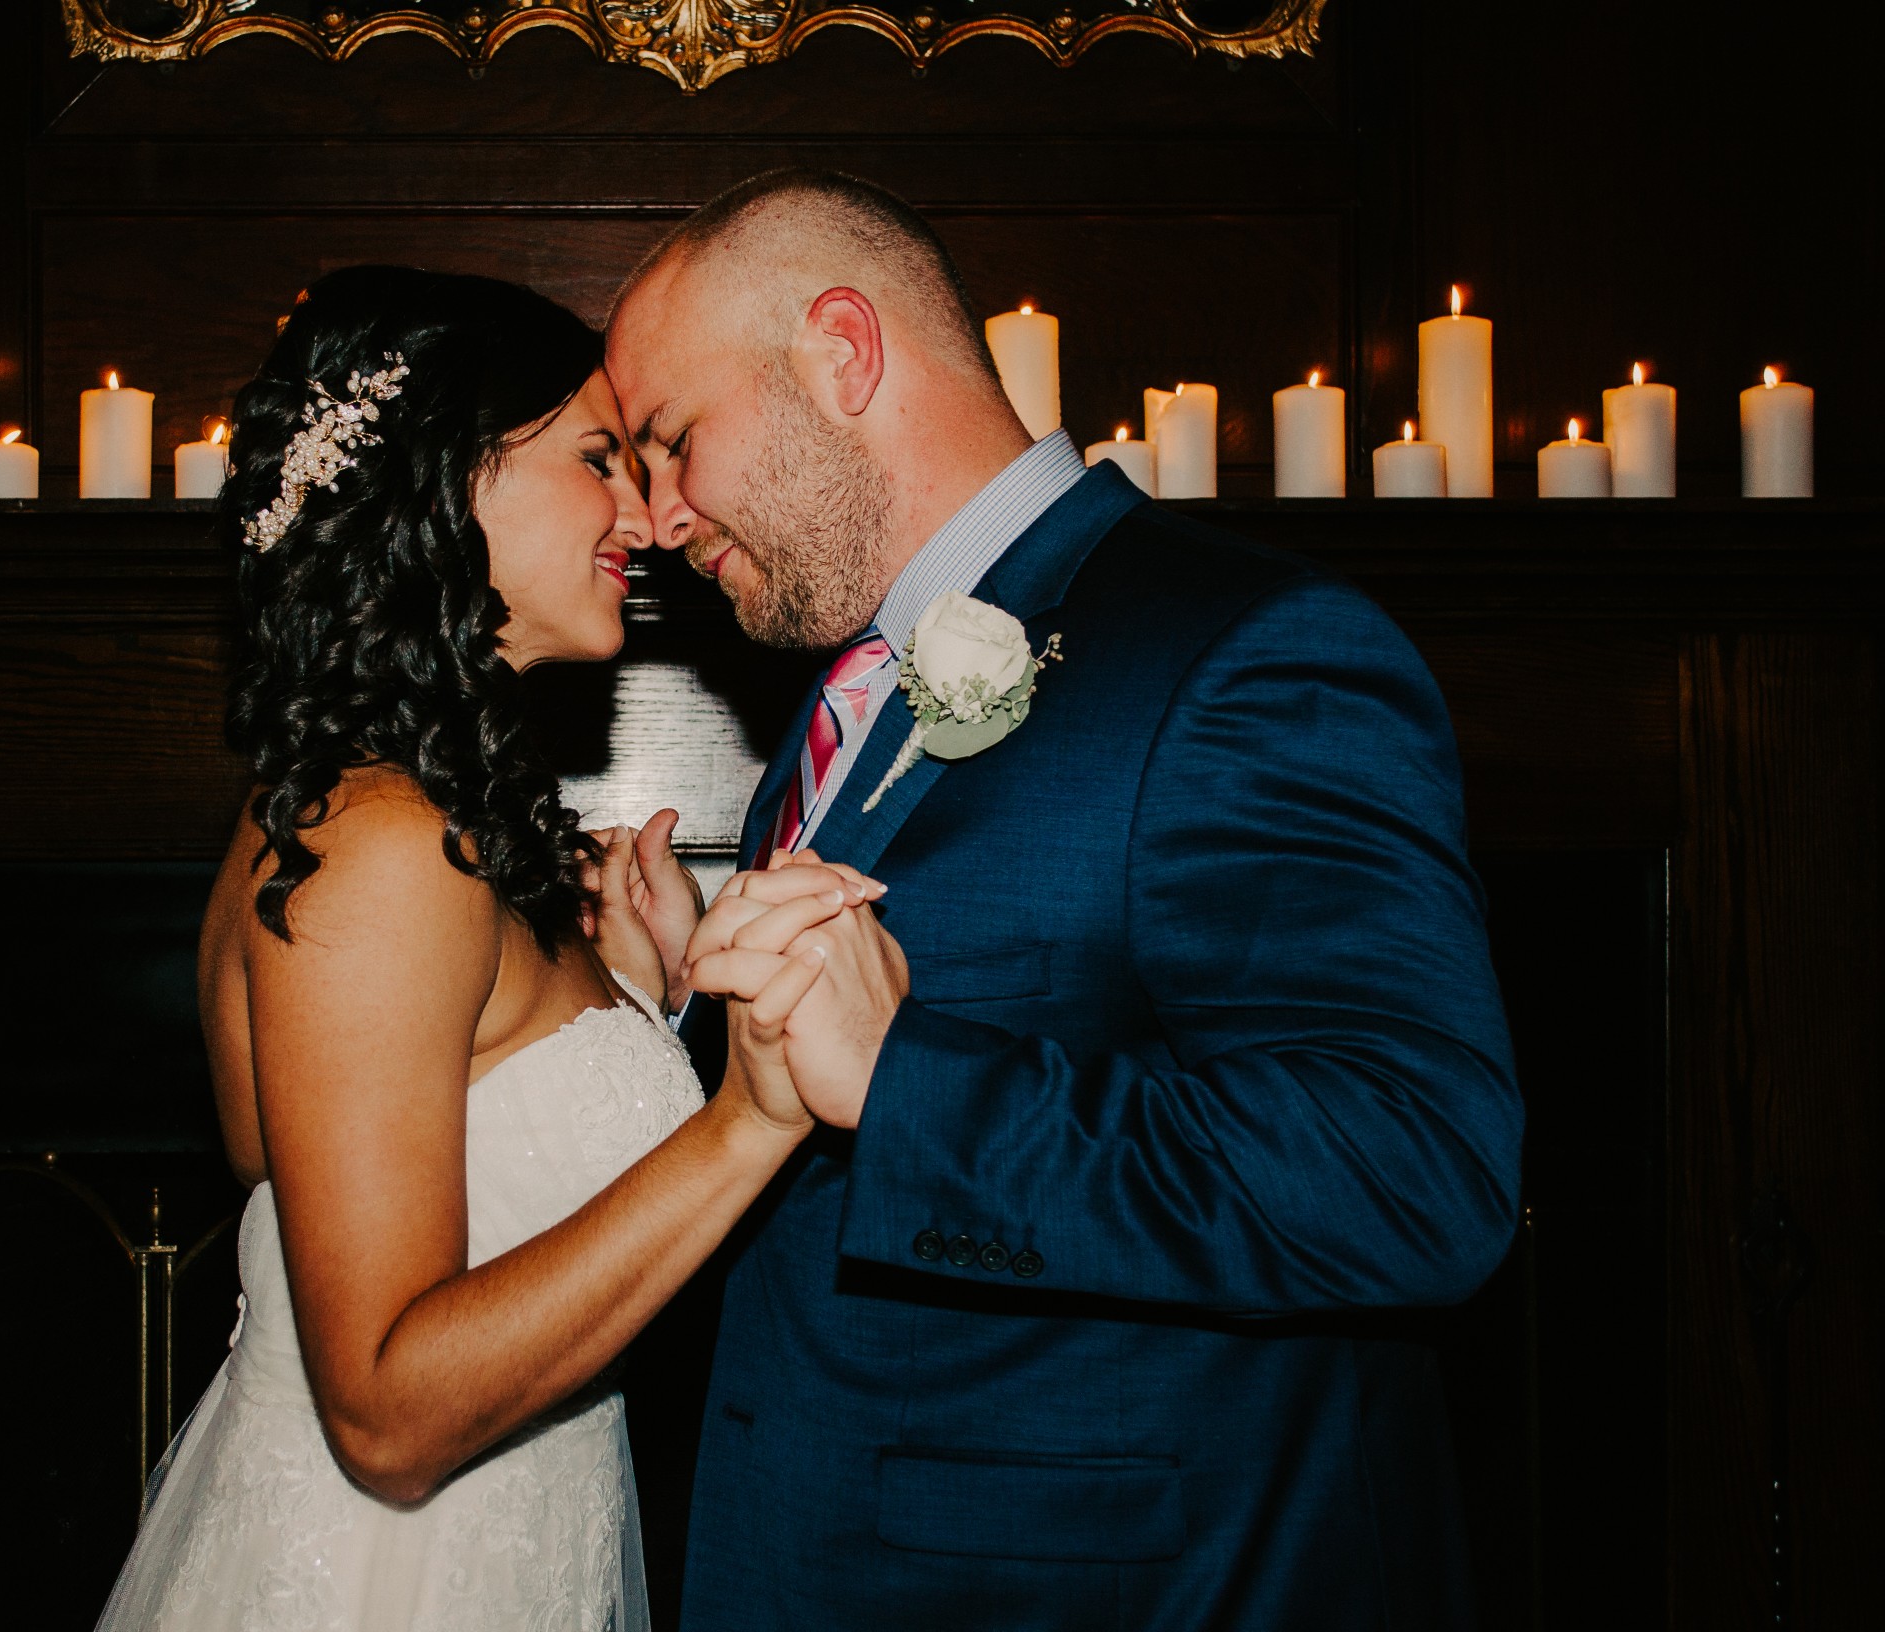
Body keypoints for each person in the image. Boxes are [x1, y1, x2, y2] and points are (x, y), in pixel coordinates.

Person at [604, 170, 1526, 1630]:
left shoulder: (1247, 653)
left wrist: (908, 1083)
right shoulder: (844, 692)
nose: (653, 518)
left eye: (672, 444)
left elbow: (1415, 1174)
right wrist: (693, 1011)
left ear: (842, 353)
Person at [92, 265, 858, 1631]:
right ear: (447, 484)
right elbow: (384, 1410)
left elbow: (417, 1161)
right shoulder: (378, 848)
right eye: (595, 459)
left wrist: (647, 1000)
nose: (646, 516)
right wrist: (747, 1118)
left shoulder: (391, 813)